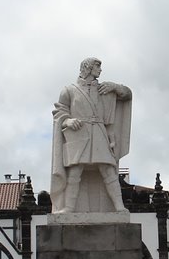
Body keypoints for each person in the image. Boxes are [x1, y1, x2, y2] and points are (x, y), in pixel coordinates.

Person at [50, 57, 132, 214]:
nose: (100, 70)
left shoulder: (104, 90)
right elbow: (59, 112)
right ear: (88, 68)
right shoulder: (69, 90)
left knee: (108, 169)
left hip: (99, 132)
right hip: (79, 134)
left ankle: (119, 207)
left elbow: (127, 94)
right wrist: (67, 121)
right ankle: (68, 209)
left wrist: (115, 86)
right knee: (75, 172)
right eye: (97, 67)